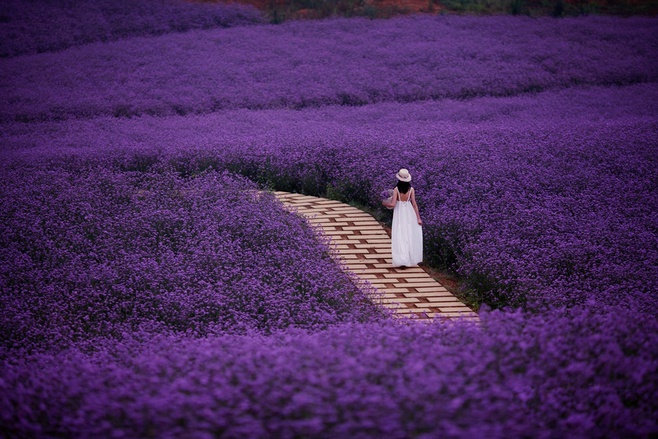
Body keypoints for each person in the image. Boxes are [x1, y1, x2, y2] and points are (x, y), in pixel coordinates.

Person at [382, 168, 423, 268]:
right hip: (409, 212)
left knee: (400, 234)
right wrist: (418, 218)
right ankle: (408, 258)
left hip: (400, 213)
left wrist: (384, 203)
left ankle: (401, 259)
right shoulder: (411, 190)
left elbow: (392, 204)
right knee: (409, 233)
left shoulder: (396, 189)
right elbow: (414, 204)